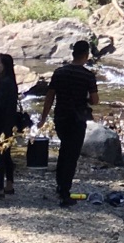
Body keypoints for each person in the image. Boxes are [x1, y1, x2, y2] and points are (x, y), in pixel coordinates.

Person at [41, 39, 98, 206]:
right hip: (77, 119)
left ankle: (60, 185)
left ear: (73, 53)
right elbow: (95, 100)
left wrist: (44, 117)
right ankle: (65, 192)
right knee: (71, 155)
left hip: (60, 117)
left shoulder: (59, 72)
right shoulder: (88, 76)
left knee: (64, 150)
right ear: (86, 55)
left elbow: (50, 96)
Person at [0, 52, 22, 198]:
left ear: (5, 66)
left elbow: (2, 105)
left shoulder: (6, 83)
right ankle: (9, 185)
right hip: (7, 122)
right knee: (6, 154)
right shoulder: (3, 80)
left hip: (2, 123)